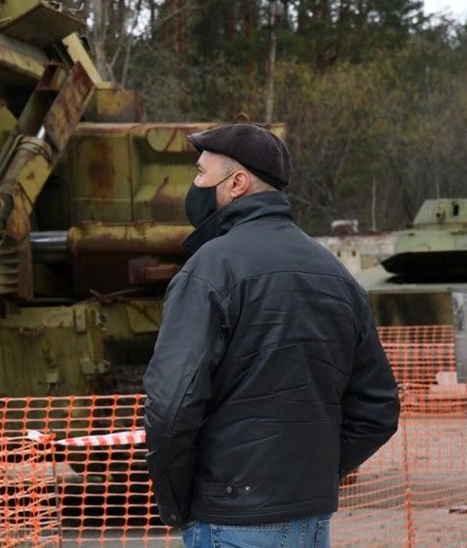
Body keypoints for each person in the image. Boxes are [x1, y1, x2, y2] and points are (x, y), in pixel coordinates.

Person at [143, 123, 399, 548]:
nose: (195, 187)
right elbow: (378, 406)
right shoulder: (334, 273)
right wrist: (311, 475)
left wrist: (177, 501)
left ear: (237, 183)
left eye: (201, 174)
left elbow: (172, 405)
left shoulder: (210, 268)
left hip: (229, 519)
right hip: (310, 519)